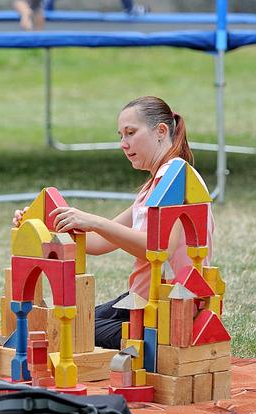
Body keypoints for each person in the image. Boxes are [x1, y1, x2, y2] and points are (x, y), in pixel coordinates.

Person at [15, 96, 213, 350]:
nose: (123, 143)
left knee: (67, 327)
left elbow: (159, 248)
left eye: (131, 133)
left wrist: (95, 221)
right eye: (121, 135)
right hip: (144, 298)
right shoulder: (155, 185)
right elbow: (97, 243)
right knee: (69, 320)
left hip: (170, 308)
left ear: (161, 131)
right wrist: (43, 226)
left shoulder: (174, 178)